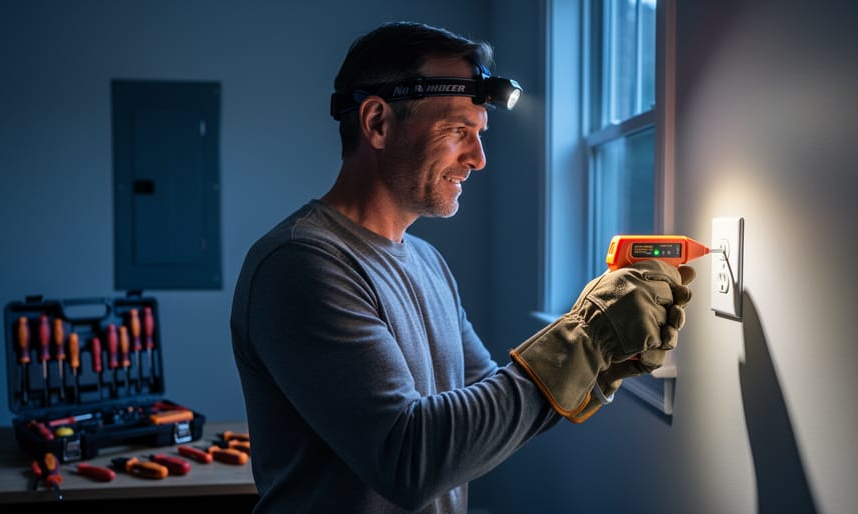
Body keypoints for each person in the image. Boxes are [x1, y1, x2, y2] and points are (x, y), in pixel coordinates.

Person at [230, 20, 695, 514]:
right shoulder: (301, 264)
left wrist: (602, 362)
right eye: (457, 131)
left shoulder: (429, 262)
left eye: (479, 134)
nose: (477, 158)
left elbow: (481, 417)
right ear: (377, 123)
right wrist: (583, 340)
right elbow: (407, 459)